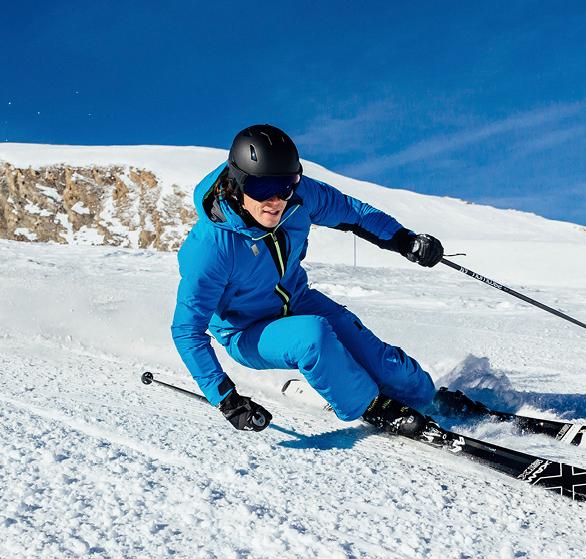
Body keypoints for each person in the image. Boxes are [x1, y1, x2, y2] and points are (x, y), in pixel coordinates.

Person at [171, 124, 462, 437]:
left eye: (285, 185)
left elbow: (353, 212)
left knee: (386, 364)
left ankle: (427, 397)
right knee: (313, 336)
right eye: (260, 188)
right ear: (238, 184)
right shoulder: (211, 247)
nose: (275, 199)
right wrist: (226, 398)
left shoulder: (300, 197)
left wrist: (404, 239)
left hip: (297, 300)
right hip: (247, 331)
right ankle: (371, 406)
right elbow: (187, 331)